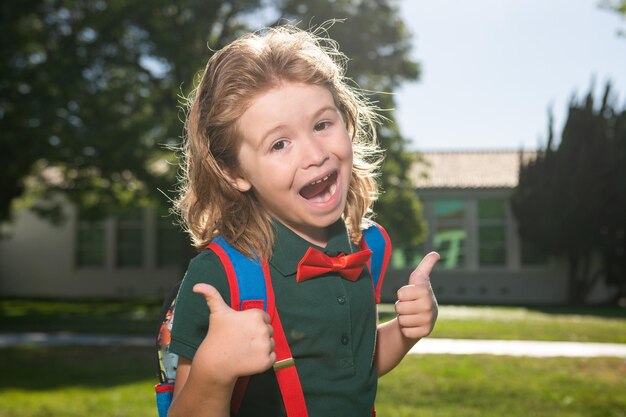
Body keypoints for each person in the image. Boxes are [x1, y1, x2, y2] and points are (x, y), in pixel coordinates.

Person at [167, 24, 439, 417]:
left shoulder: (366, 245)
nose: (313, 154)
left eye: (322, 124)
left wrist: (406, 330)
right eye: (279, 143)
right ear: (234, 173)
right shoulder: (218, 275)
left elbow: (352, 371)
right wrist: (213, 370)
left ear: (347, 122)